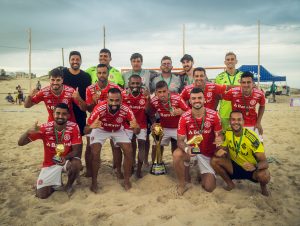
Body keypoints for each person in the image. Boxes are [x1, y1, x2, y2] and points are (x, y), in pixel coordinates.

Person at [17, 103, 82, 199]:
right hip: (49, 164)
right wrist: (27, 132)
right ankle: (53, 185)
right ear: (53, 114)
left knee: (76, 163)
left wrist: (65, 158)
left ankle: (68, 185)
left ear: (68, 115)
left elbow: (77, 151)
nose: (60, 116)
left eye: (64, 114)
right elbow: (20, 143)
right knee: (42, 195)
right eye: (58, 113)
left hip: (64, 161)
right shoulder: (44, 128)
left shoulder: (73, 127)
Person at [84, 88, 140, 193]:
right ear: (107, 99)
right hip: (101, 129)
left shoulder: (126, 109)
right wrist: (92, 126)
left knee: (129, 151)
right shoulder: (99, 108)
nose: (114, 103)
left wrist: (136, 127)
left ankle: (126, 181)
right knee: (95, 152)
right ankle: (94, 182)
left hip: (117, 129)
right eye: (111, 100)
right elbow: (86, 130)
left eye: (117, 100)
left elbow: (137, 131)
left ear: (121, 99)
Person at [173, 87, 223, 195]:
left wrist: (219, 140)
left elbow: (219, 136)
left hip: (207, 153)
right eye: (194, 98)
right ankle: (182, 184)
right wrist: (187, 148)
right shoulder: (184, 117)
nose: (197, 100)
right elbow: (180, 141)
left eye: (200, 98)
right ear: (190, 101)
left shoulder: (214, 115)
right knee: (177, 154)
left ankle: (203, 172)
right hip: (193, 151)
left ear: (204, 99)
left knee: (209, 187)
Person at [211, 110, 270, 196]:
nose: (236, 122)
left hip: (251, 169)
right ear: (230, 121)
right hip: (235, 166)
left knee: (264, 175)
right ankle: (230, 184)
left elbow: (265, 162)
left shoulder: (252, 138)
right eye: (233, 119)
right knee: (214, 160)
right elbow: (221, 149)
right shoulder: (228, 132)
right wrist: (219, 152)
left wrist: (254, 166)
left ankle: (263, 188)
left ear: (243, 122)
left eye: (239, 120)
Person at [84, 63, 121, 177]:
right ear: (96, 74)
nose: (102, 75)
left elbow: (121, 104)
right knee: (90, 146)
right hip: (96, 122)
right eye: (99, 73)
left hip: (113, 120)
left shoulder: (115, 88)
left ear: (108, 73)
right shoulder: (90, 89)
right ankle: (89, 170)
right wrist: (92, 102)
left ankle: (117, 168)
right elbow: (88, 109)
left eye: (104, 73)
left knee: (116, 145)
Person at [149, 81, 189, 160]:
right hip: (164, 128)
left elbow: (189, 113)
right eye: (159, 92)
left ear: (168, 91)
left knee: (183, 147)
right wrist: (153, 123)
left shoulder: (177, 98)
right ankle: (156, 165)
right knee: (155, 146)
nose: (162, 94)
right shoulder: (154, 101)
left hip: (178, 128)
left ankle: (182, 163)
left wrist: (182, 112)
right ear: (156, 93)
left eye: (164, 91)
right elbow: (151, 114)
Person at [222, 71, 265, 140]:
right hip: (236, 124)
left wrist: (258, 122)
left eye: (248, 82)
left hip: (252, 124)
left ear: (253, 83)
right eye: (243, 82)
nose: (246, 85)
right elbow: (219, 96)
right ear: (240, 83)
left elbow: (262, 105)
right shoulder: (233, 92)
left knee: (259, 146)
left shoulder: (259, 94)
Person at [122, 74, 150, 178]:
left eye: (137, 83)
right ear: (128, 84)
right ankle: (131, 165)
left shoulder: (145, 95)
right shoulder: (123, 95)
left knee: (141, 145)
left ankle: (139, 169)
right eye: (133, 83)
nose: (135, 85)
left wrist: (148, 99)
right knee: (129, 146)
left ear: (141, 84)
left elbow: (149, 111)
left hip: (142, 124)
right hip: (128, 125)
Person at [62, 51, 91, 136]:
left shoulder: (86, 76)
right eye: (73, 59)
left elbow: (87, 98)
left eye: (77, 59)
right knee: (62, 139)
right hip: (64, 112)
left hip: (80, 113)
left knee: (78, 140)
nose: (75, 61)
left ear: (81, 61)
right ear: (69, 61)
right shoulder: (63, 74)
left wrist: (78, 98)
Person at [215, 52, 243, 132]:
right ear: (225, 62)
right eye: (228, 60)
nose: (230, 61)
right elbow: (216, 96)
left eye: (232, 59)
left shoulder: (243, 75)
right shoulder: (219, 77)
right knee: (225, 138)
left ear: (236, 61)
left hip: (239, 112)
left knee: (238, 135)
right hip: (224, 113)